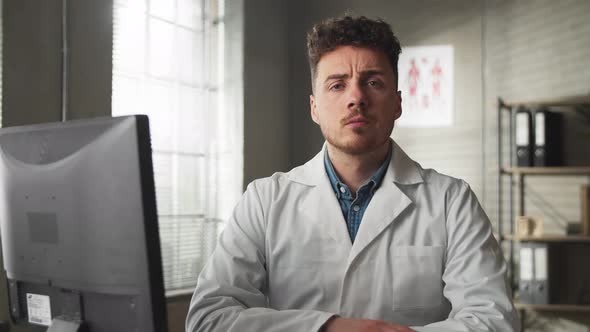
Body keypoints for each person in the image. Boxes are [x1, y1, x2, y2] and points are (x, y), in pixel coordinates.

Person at [186, 15, 519, 332]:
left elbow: (494, 321)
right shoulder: (264, 200)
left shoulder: (451, 200)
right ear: (314, 107)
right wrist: (328, 327)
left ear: (398, 103)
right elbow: (209, 318)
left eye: (373, 82)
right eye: (337, 85)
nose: (356, 97)